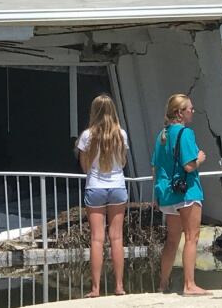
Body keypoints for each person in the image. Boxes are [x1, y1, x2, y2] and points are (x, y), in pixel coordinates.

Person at [151, 94, 211, 296]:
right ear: (179, 113)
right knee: (192, 236)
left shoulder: (162, 135)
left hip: (167, 194)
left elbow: (155, 167)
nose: (193, 111)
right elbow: (189, 165)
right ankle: (189, 284)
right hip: (186, 192)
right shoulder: (185, 133)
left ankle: (163, 283)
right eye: (189, 109)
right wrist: (200, 158)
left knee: (172, 240)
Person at [76, 94, 129, 298]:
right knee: (117, 237)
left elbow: (85, 166)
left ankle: (96, 288)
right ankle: (119, 286)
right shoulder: (121, 134)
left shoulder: (87, 136)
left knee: (97, 239)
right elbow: (123, 162)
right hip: (117, 186)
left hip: (95, 187)